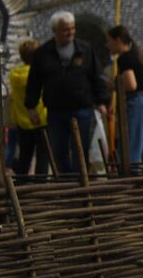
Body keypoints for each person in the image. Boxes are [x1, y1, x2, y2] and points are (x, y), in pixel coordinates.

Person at [25, 11, 109, 174]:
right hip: (56, 111)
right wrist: (31, 106)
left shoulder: (85, 49)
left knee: (81, 150)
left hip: (82, 108)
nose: (70, 32)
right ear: (54, 31)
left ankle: (81, 182)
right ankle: (67, 182)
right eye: (65, 30)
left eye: (72, 28)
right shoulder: (42, 53)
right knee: (59, 151)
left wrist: (102, 101)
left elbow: (96, 76)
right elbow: (34, 82)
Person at [107, 25, 143, 169]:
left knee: (131, 148)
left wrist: (112, 86)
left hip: (137, 103)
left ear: (118, 40)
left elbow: (131, 85)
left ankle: (130, 179)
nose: (107, 45)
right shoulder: (139, 57)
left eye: (108, 41)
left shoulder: (125, 58)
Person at [8, 38, 49, 176]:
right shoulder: (41, 73)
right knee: (43, 158)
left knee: (24, 158)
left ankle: (22, 187)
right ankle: (41, 187)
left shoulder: (14, 75)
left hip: (22, 122)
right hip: (42, 119)